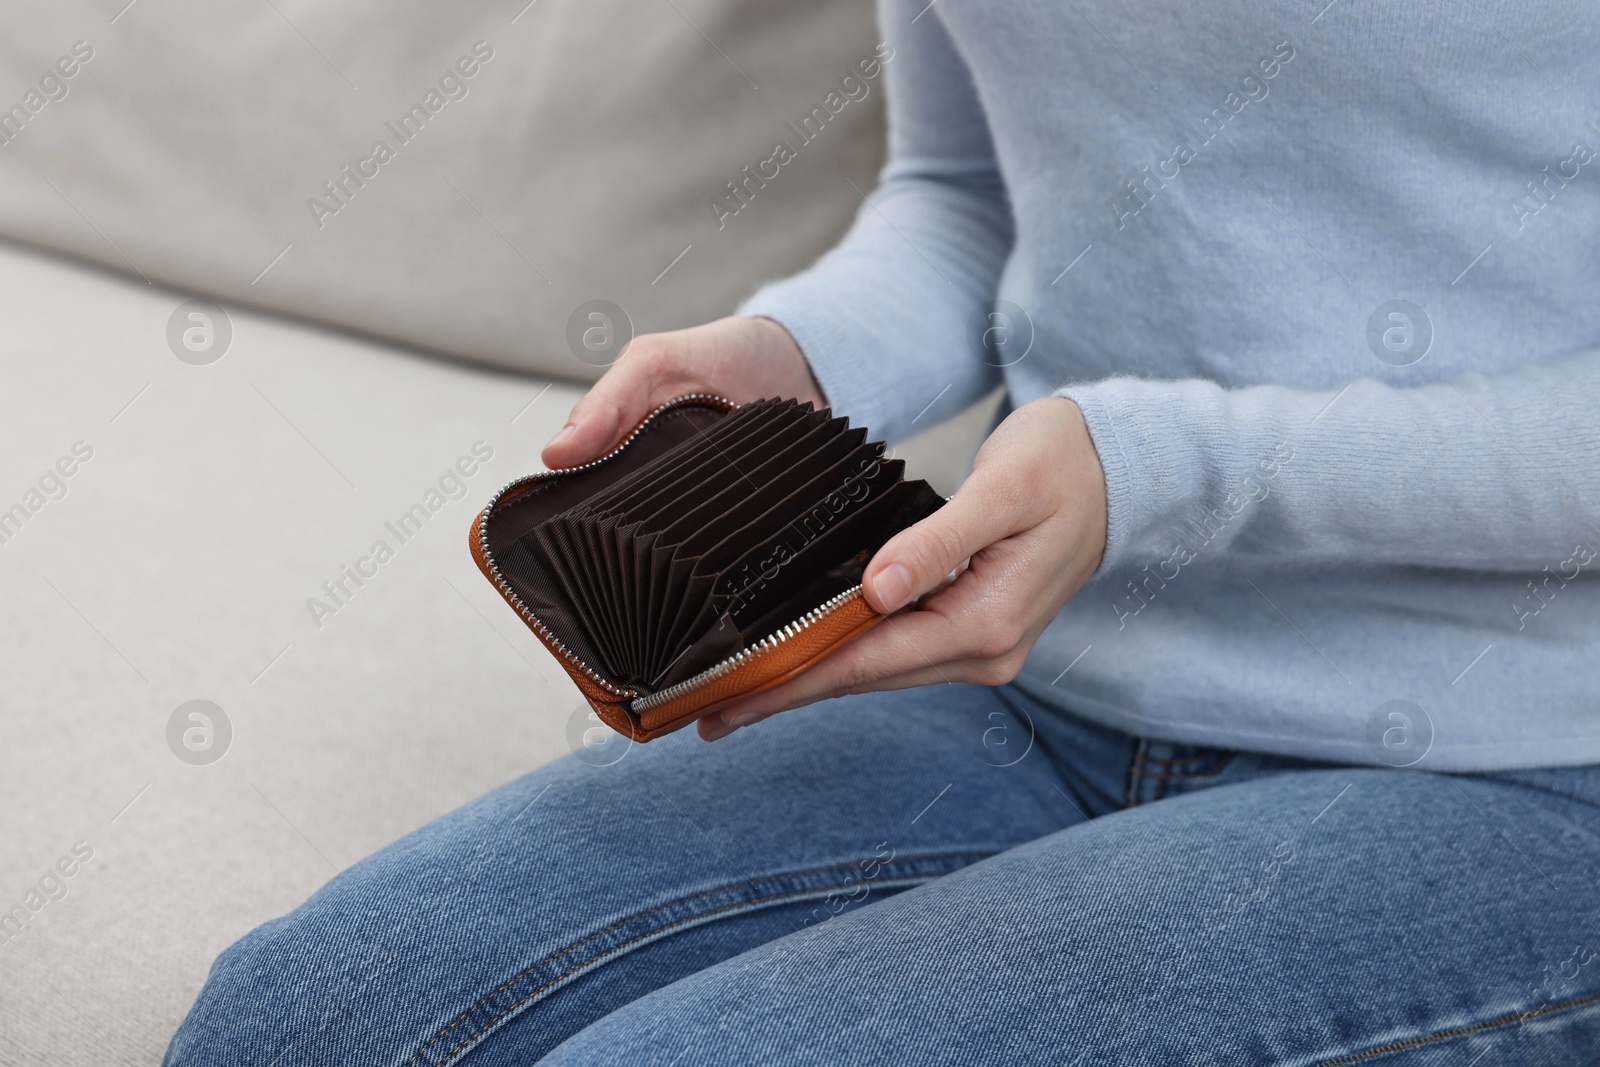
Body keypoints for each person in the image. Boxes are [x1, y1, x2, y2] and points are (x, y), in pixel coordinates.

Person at [167, 1, 1600, 1063]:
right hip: (1040, 691)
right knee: (290, 1024)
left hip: (1518, 766)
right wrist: (800, 357)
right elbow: (972, 198)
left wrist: (1162, 469)